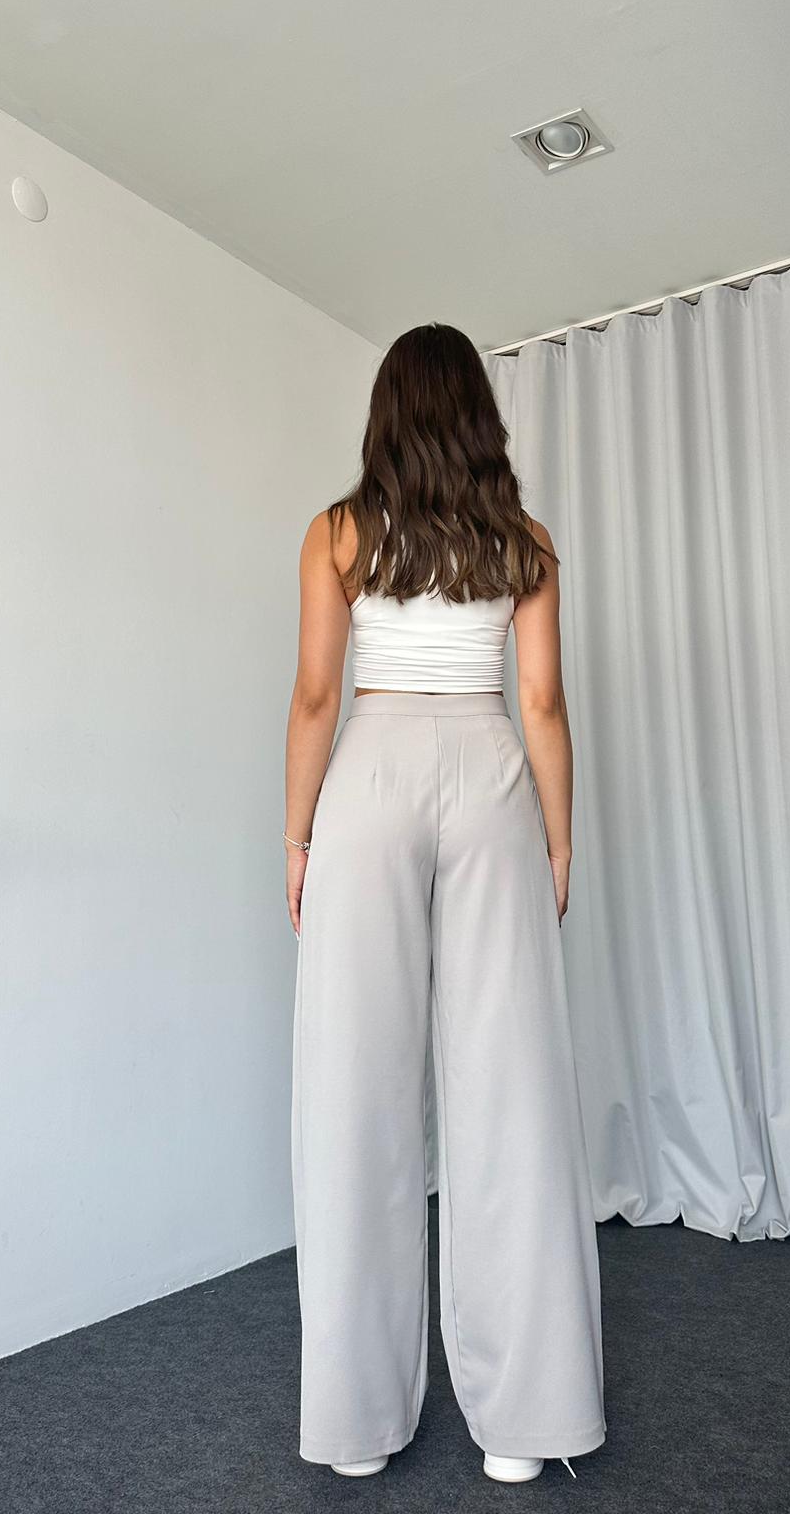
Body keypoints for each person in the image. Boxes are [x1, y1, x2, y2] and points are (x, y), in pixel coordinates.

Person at [283, 323, 606, 1485]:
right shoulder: (524, 540)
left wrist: (297, 835)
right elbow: (544, 701)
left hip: (369, 774)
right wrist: (558, 839)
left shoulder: (339, 532)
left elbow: (316, 694)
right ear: (479, 417)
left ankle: (359, 1423)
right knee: (508, 1089)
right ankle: (525, 1425)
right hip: (489, 773)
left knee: (355, 1090)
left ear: (387, 414)